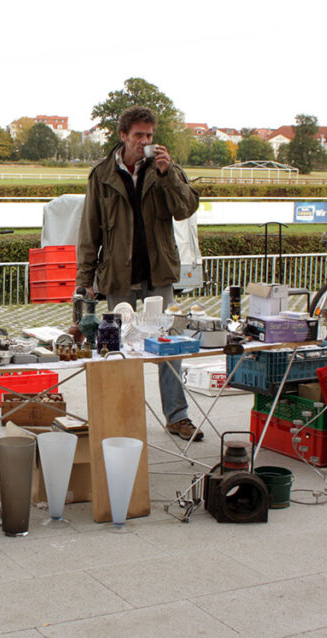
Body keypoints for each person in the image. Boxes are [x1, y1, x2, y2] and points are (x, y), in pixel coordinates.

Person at [75, 106, 202, 439]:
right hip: (117, 277)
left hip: (158, 276)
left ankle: (177, 417)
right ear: (123, 136)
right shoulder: (101, 174)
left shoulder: (165, 169)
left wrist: (169, 174)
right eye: (139, 135)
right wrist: (84, 282)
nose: (145, 141)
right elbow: (89, 232)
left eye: (149, 135)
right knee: (117, 352)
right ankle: (120, 418)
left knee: (169, 348)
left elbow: (185, 209)